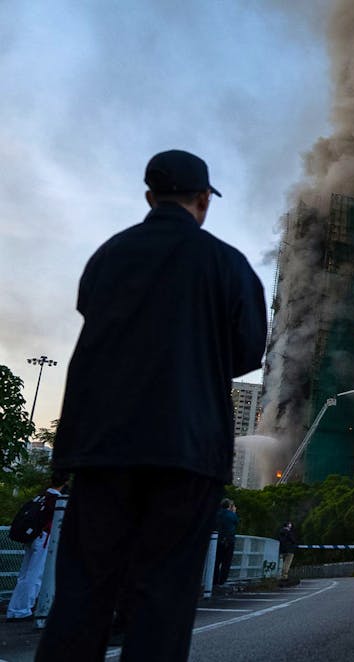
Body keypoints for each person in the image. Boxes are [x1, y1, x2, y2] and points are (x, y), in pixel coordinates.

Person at [36, 149, 268, 661]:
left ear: (149, 196)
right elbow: (249, 350)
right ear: (204, 200)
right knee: (164, 596)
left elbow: (89, 310)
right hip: (186, 450)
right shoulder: (227, 263)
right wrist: (197, 358)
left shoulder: (110, 254)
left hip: (101, 448)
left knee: (83, 590)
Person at [5, 473, 69, 622]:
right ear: (65, 483)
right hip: (43, 539)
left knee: (24, 573)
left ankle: (14, 609)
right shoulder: (56, 500)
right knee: (35, 574)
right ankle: (23, 609)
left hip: (31, 537)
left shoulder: (40, 497)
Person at [214, 499, 238, 586]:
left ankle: (214, 580)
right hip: (229, 540)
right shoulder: (231, 515)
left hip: (217, 539)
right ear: (229, 506)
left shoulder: (218, 513)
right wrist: (234, 512)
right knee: (226, 562)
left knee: (216, 561)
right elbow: (236, 522)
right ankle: (222, 580)